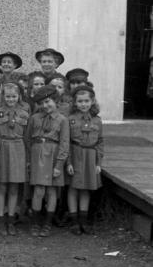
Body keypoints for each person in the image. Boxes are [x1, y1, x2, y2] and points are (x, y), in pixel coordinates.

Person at [25, 84, 70, 238]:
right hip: (37, 155)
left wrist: (59, 165)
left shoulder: (62, 120)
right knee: (38, 190)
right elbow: (27, 140)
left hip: (53, 156)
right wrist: (29, 160)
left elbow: (64, 143)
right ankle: (35, 223)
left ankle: (47, 223)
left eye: (49, 101)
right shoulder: (34, 118)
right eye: (42, 102)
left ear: (56, 101)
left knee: (51, 191)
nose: (46, 105)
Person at [0, 81, 28, 236]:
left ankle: (11, 219)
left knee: (14, 187)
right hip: (2, 147)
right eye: (8, 96)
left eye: (14, 96)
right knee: (1, 186)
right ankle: (0, 219)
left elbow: (27, 136)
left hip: (18, 148)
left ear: (19, 96)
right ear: (3, 96)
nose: (11, 99)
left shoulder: (25, 113)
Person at [67, 85, 104, 235]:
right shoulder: (70, 120)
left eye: (86, 101)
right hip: (75, 154)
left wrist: (98, 163)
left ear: (92, 101)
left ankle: (83, 220)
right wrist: (68, 162)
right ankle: (74, 221)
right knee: (73, 188)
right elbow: (66, 142)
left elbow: (100, 141)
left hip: (90, 156)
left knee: (86, 188)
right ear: (75, 103)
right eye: (80, 101)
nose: (83, 104)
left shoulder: (97, 120)